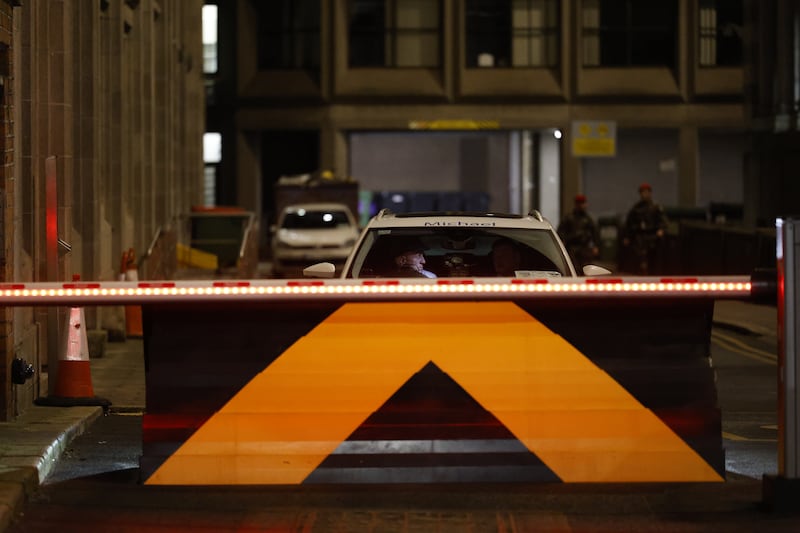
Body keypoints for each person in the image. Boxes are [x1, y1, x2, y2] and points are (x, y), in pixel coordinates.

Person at [623, 182, 668, 274]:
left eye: (646, 192)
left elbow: (663, 221)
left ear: (650, 193)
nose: (644, 194)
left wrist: (661, 230)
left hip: (653, 237)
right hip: (640, 238)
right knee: (639, 261)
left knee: (653, 261)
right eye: (643, 192)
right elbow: (629, 223)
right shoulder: (636, 208)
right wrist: (627, 236)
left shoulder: (656, 207)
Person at [557, 194, 600, 269]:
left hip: (584, 248)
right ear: (576, 204)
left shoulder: (588, 219)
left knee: (585, 268)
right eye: (579, 203)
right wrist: (563, 241)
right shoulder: (569, 218)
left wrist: (595, 246)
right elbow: (561, 231)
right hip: (571, 248)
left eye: (583, 203)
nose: (581, 205)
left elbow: (595, 233)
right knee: (573, 268)